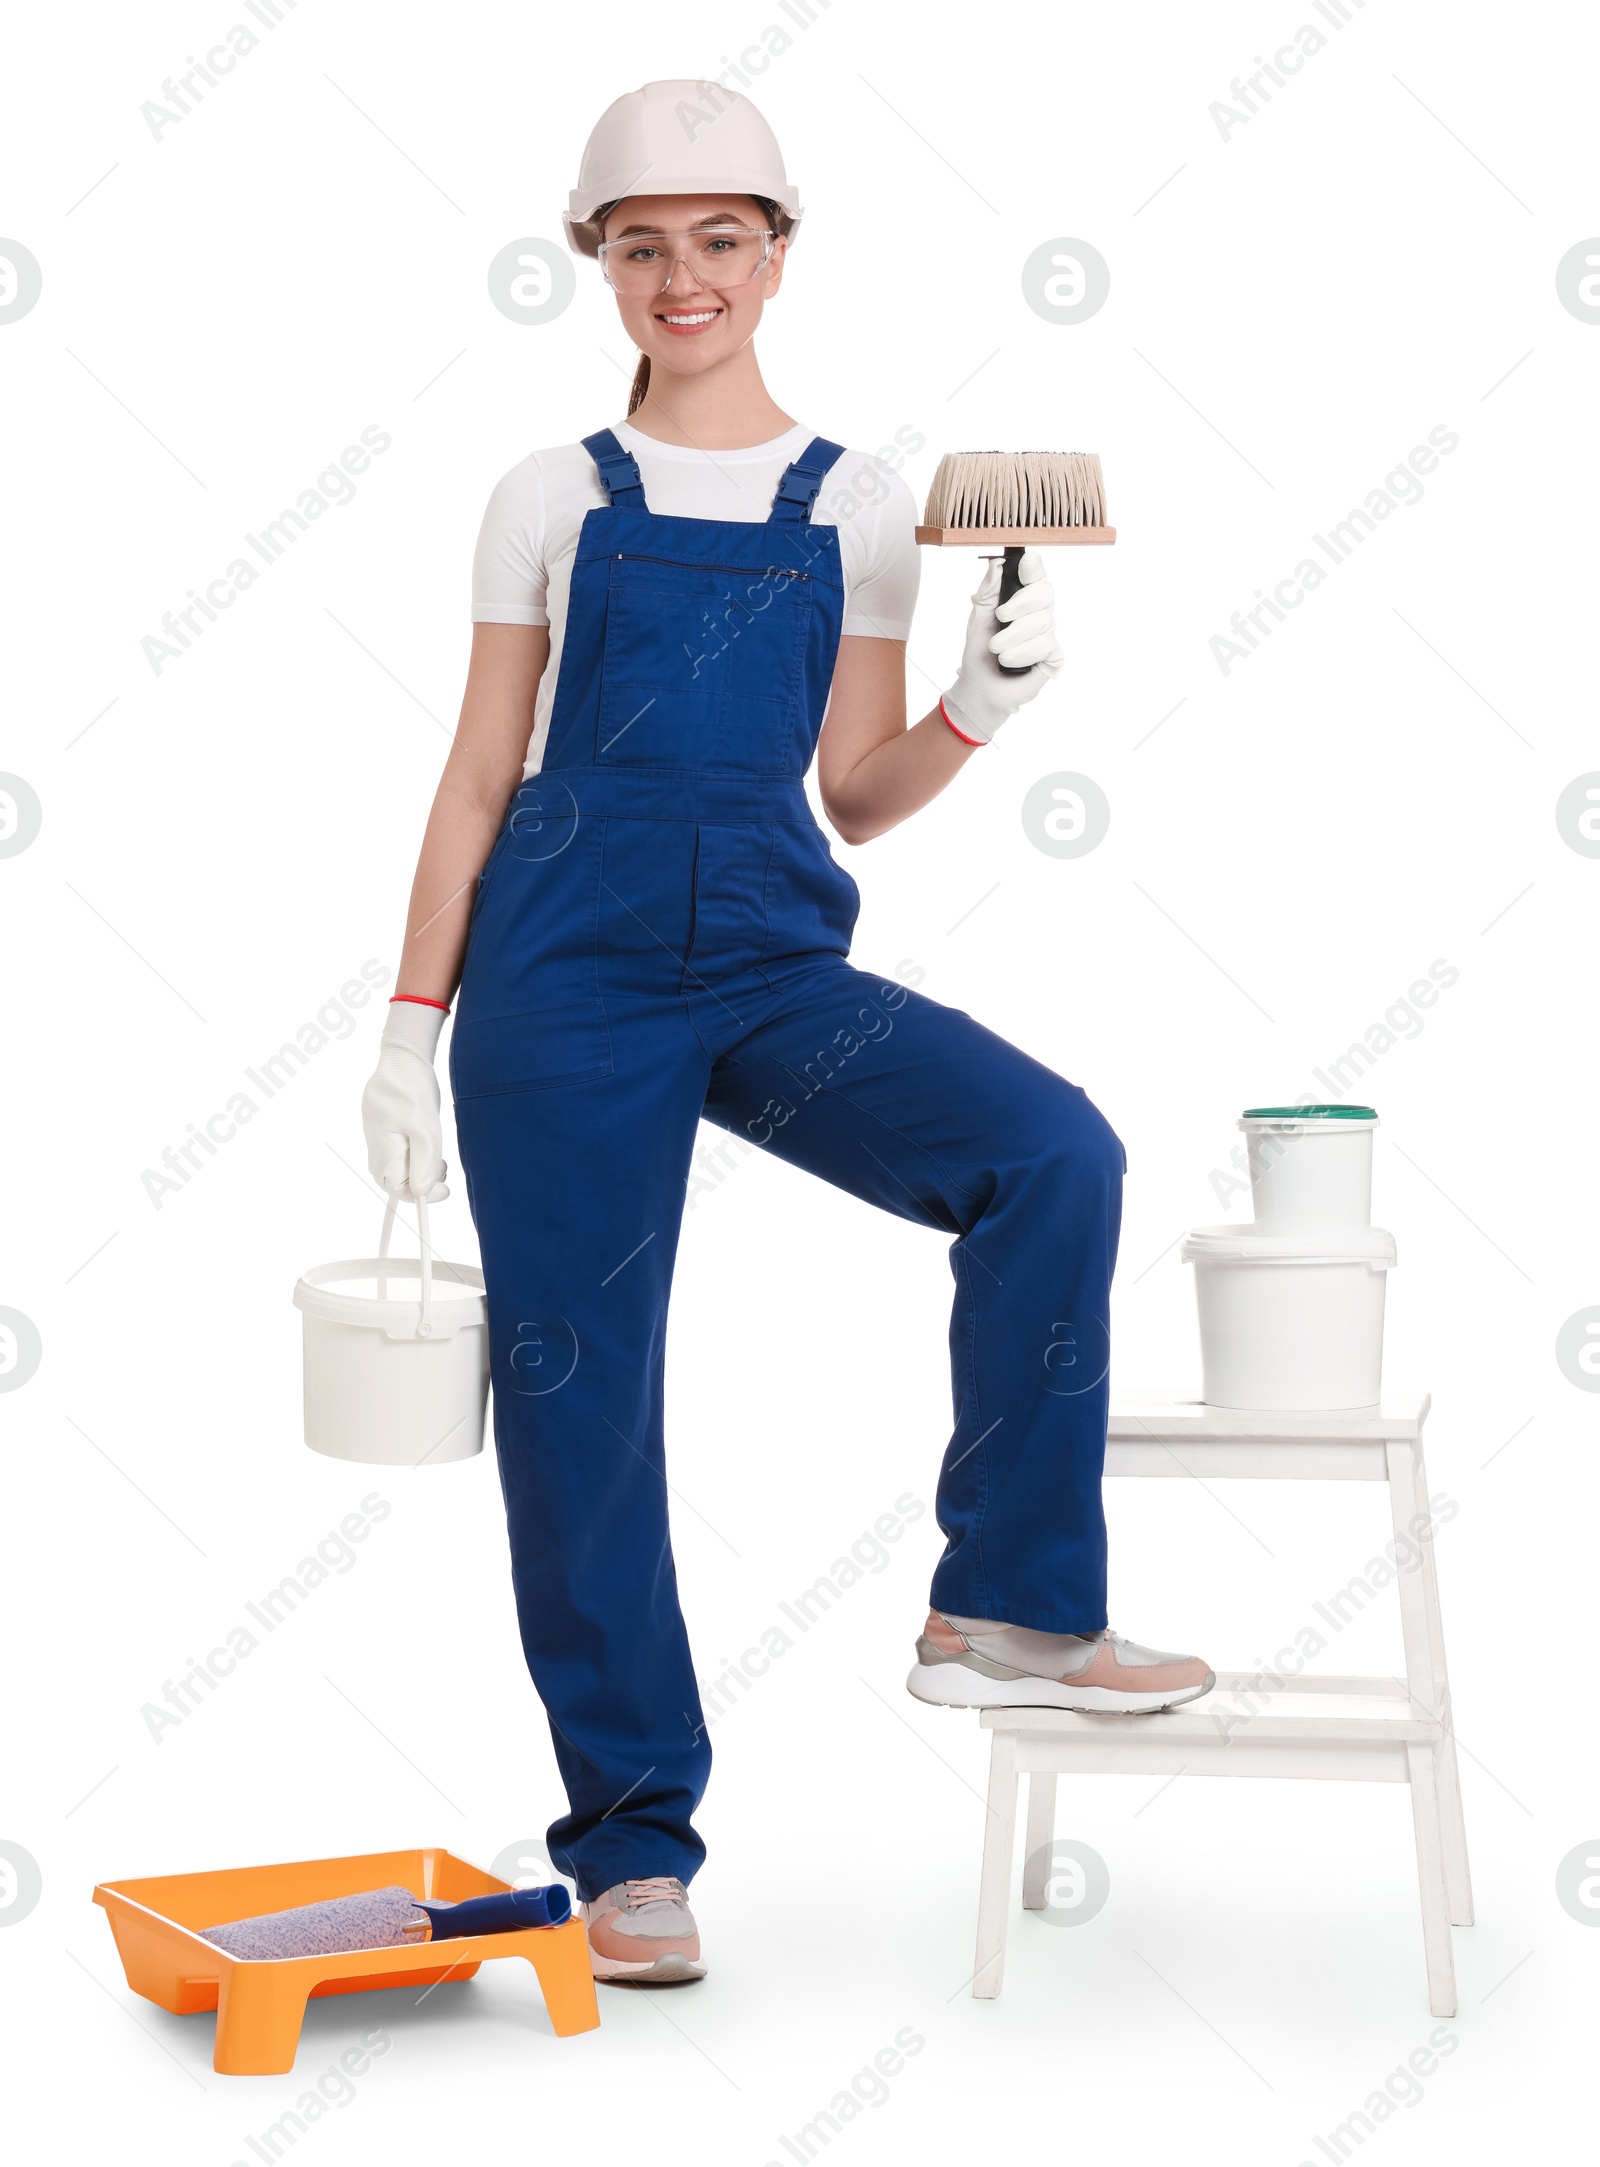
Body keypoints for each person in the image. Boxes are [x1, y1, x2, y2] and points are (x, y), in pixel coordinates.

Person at [361, 80, 1213, 1988]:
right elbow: (482, 770)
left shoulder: (864, 505)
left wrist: (988, 706)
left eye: (720, 240)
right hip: (562, 988)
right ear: (600, 263)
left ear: (776, 251)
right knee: (586, 1398)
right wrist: (411, 1025)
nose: (686, 278)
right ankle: (632, 1846)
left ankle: (1006, 1608)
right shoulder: (550, 496)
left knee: (1050, 1153)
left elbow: (855, 792)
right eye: (643, 244)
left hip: (763, 965)